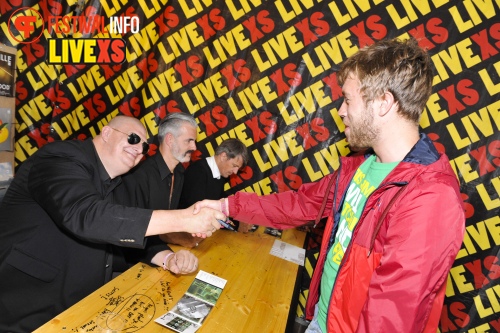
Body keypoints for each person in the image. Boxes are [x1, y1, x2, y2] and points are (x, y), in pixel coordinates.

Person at [193, 38, 465, 333]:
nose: (340, 111)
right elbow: (298, 204)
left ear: (383, 103)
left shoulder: (430, 196)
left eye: (348, 100)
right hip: (321, 322)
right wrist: (226, 205)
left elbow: (390, 318)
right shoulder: (362, 165)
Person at [0, 116, 224, 333]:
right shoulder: (59, 157)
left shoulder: (119, 183)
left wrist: (169, 258)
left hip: (85, 306)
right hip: (29, 306)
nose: (138, 149)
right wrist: (184, 219)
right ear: (106, 133)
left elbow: (133, 232)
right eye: (133, 139)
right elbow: (86, 215)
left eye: (145, 147)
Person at [115, 113, 201, 249]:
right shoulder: (139, 176)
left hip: (164, 253)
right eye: (189, 141)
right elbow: (132, 230)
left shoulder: (179, 173)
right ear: (170, 140)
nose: (194, 147)